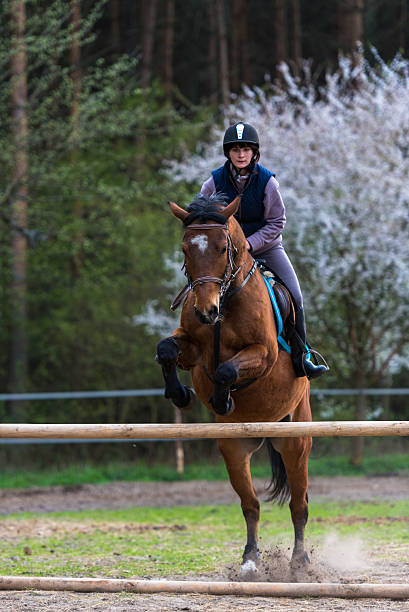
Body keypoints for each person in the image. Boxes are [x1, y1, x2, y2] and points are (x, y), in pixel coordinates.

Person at [200, 121, 328, 379]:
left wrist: (250, 243)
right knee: (203, 285)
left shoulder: (268, 182)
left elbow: (277, 222)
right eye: (235, 149)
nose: (240, 154)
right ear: (228, 152)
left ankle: (302, 356)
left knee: (296, 295)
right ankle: (191, 345)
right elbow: (201, 216)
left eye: (246, 149)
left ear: (254, 152)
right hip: (225, 253)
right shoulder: (214, 182)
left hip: (266, 249)